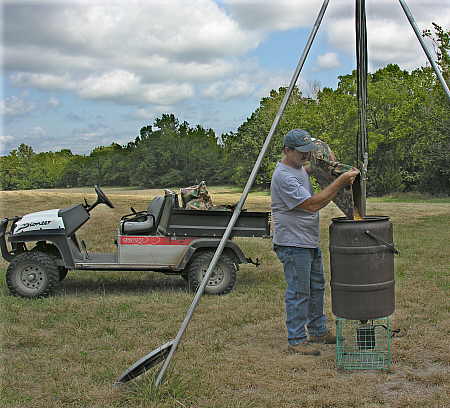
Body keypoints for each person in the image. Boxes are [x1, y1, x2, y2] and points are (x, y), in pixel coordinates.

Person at [271, 129, 359, 355]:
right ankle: (297, 339)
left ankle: (318, 331)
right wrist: (339, 182)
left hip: (307, 241)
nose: (306, 156)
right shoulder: (283, 176)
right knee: (299, 291)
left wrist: (333, 168)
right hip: (293, 243)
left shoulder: (298, 167)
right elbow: (312, 204)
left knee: (316, 287)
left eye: (308, 151)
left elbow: (315, 168)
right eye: (301, 152)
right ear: (286, 151)